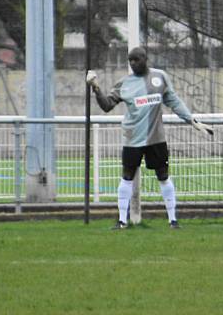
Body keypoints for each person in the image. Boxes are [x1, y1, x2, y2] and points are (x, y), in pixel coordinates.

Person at [86, 46, 213, 230]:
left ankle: (173, 220)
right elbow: (106, 106)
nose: (133, 64)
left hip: (156, 138)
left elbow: (174, 101)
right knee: (127, 176)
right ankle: (122, 220)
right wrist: (96, 88)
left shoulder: (160, 77)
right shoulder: (125, 83)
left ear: (145, 59)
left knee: (163, 176)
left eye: (136, 60)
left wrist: (192, 121)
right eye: (130, 61)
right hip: (132, 139)